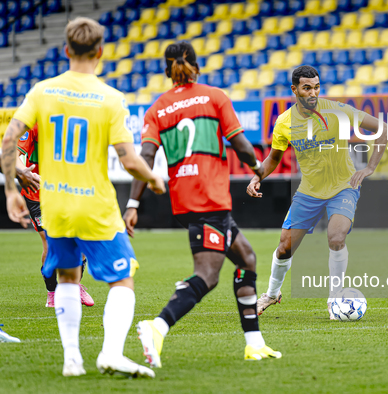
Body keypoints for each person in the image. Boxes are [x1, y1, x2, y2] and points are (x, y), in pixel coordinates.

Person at [2, 17, 166, 377]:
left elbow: (9, 140)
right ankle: (111, 352)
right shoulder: (110, 98)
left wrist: (12, 189)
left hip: (54, 204)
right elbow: (129, 159)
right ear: (101, 52)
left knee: (66, 278)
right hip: (95, 206)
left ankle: (72, 359)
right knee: (123, 280)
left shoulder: (42, 91)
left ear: (65, 50)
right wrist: (153, 178)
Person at [123, 41, 281, 367]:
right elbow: (240, 144)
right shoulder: (214, 96)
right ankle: (158, 325)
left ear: (167, 70)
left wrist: (132, 203)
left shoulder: (157, 109)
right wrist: (255, 169)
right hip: (210, 199)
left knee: (247, 258)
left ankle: (254, 342)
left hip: (184, 202)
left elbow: (147, 158)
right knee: (207, 276)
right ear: (197, 66)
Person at [246, 65, 387, 319]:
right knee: (284, 248)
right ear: (295, 90)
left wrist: (369, 168)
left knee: (336, 237)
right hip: (309, 191)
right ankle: (271, 294)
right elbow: (274, 158)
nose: (313, 93)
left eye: (317, 87)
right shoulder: (284, 123)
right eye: (307, 88)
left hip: (344, 186)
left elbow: (382, 128)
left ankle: (335, 300)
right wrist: (257, 176)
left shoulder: (337, 111)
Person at [17, 125, 94, 308]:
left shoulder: (74, 121)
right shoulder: (34, 122)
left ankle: (74, 286)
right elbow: (14, 152)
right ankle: (52, 292)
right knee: (51, 244)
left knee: (79, 241)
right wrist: (22, 172)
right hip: (38, 193)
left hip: (67, 191)